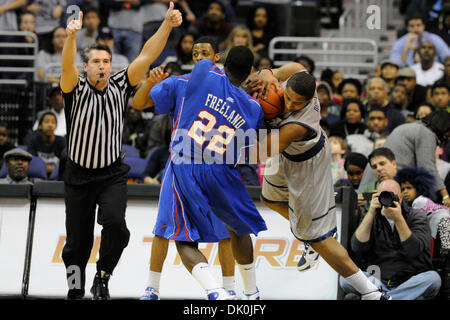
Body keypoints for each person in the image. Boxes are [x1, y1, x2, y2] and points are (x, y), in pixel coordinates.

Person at [59, 5, 182, 300]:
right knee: (77, 242)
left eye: (106, 61)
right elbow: (66, 67)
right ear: (85, 66)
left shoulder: (119, 84)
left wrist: (166, 24)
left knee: (116, 226)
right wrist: (70, 38)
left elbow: (147, 55)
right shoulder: (73, 87)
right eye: (96, 61)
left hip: (111, 173)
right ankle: (74, 288)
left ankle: (103, 275)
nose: (103, 65)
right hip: (77, 175)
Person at [252, 67, 391, 300]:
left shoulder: (297, 124)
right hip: (286, 155)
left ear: (309, 101)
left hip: (308, 167)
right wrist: (270, 73)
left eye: (297, 103)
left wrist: (241, 123)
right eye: (287, 97)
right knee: (270, 199)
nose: (289, 106)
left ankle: (370, 292)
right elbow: (296, 68)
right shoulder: (301, 78)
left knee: (320, 239)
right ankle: (309, 238)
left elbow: (261, 152)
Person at [146, 46, 267, 300]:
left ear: (222, 61)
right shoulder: (255, 109)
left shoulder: (204, 72)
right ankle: (252, 292)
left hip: (187, 162)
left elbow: (205, 70)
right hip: (223, 170)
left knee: (184, 240)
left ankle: (215, 291)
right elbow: (249, 149)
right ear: (249, 73)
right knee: (239, 228)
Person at [132, 37, 240, 300]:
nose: (199, 56)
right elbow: (138, 103)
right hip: (181, 165)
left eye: (205, 52)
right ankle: (152, 288)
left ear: (217, 57)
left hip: (216, 166)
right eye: (195, 52)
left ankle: (229, 288)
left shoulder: (231, 89)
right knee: (163, 228)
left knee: (225, 232)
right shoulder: (178, 83)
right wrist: (150, 82)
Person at [339, 179, 441, 300]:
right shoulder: (372, 217)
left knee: (433, 279)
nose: (387, 200)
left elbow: (413, 250)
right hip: (378, 281)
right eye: (383, 195)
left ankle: (382, 297)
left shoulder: (417, 217)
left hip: (409, 281)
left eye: (392, 196)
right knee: (345, 279)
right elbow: (357, 246)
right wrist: (371, 212)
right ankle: (391, 297)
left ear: (401, 198)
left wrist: (398, 219)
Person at [359, 110, 450, 208]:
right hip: (384, 179)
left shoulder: (411, 126)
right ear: (443, 126)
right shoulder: (426, 133)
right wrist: (445, 195)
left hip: (374, 174)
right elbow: (428, 168)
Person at [396, 167, 450, 255]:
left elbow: (414, 221)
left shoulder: (419, 201)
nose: (405, 192)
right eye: (402, 189)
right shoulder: (420, 201)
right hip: (443, 222)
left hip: (444, 222)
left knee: (445, 252)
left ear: (418, 189)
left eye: (409, 188)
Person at [27, 111, 66, 178]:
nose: (50, 125)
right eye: (46, 122)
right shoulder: (33, 140)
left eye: (53, 122)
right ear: (39, 126)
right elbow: (32, 163)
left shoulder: (62, 141)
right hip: (37, 178)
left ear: (56, 126)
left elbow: (65, 164)